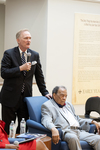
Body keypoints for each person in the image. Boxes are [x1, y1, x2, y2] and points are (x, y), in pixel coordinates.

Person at [0, 29, 51, 134]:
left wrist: (45, 92)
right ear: (18, 40)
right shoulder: (9, 54)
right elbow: (4, 73)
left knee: (23, 127)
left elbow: (39, 76)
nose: (29, 40)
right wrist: (20, 68)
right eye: (26, 38)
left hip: (26, 98)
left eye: (30, 38)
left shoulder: (34, 55)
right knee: (7, 127)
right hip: (10, 97)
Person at [41, 86, 100, 150]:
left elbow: (77, 119)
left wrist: (93, 122)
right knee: (73, 138)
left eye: (66, 96)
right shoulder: (47, 106)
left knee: (98, 138)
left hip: (78, 131)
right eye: (62, 95)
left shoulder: (68, 104)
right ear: (54, 95)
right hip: (66, 132)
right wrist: (53, 129)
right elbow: (46, 120)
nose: (64, 98)